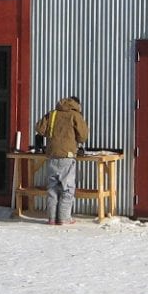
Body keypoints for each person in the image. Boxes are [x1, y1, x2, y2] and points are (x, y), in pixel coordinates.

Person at [35, 96, 89, 225]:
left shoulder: (52, 114)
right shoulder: (75, 115)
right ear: (77, 105)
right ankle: (64, 218)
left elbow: (39, 129)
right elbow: (83, 137)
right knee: (67, 188)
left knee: (52, 189)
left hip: (52, 155)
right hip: (67, 156)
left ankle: (52, 219)